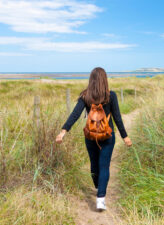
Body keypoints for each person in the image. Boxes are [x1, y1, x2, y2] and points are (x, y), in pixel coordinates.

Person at [55, 67, 132, 211]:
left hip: (90, 136)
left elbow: (75, 114)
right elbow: (117, 118)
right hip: (108, 136)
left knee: (94, 165)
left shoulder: (85, 96)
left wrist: (63, 132)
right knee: (104, 166)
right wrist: (125, 136)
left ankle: (98, 185)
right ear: (105, 80)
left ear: (91, 80)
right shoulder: (111, 96)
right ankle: (100, 198)